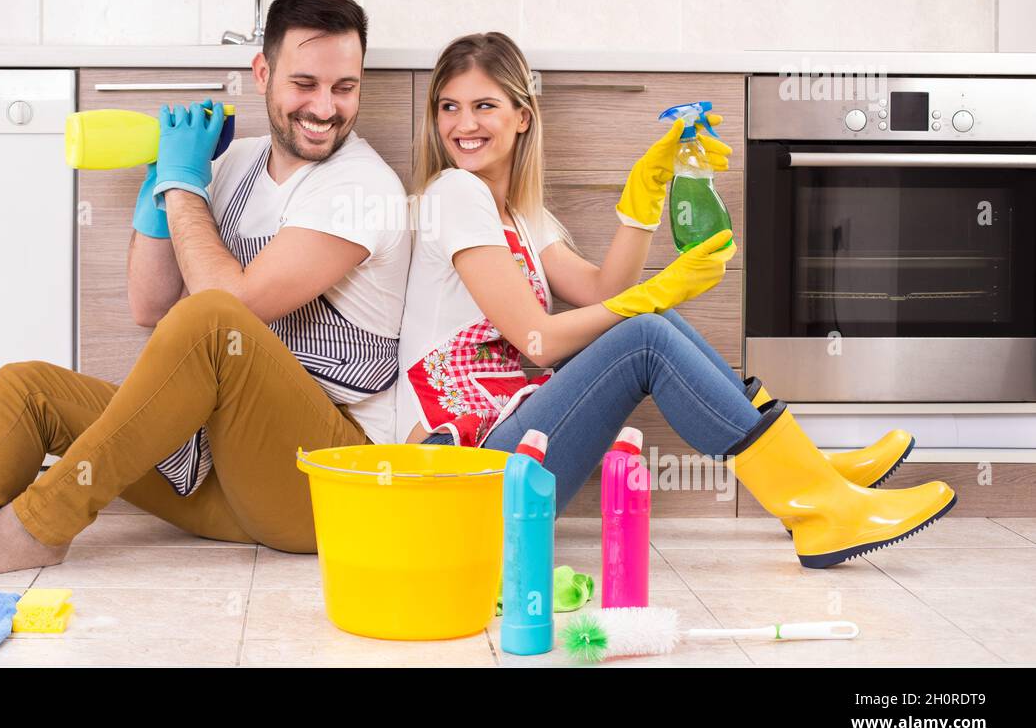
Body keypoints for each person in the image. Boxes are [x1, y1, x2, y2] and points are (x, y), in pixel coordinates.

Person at [0, 0, 411, 599]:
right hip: (218, 484)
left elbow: (229, 310)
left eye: (343, 87)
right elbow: (150, 306)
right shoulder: (235, 164)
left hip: (320, 489)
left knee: (216, 317)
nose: (325, 107)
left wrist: (185, 188)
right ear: (262, 73)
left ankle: (42, 526)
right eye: (305, 83)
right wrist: (161, 195)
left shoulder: (361, 188)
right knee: (27, 388)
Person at [396, 31, 955, 569]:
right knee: (645, 333)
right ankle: (817, 499)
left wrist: (646, 194)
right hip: (463, 481)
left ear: (522, 118)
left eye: (483, 106)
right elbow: (537, 342)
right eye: (449, 107)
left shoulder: (518, 213)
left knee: (648, 320)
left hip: (504, 462)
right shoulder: (455, 192)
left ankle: (812, 480)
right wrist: (650, 296)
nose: (463, 125)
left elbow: (601, 293)